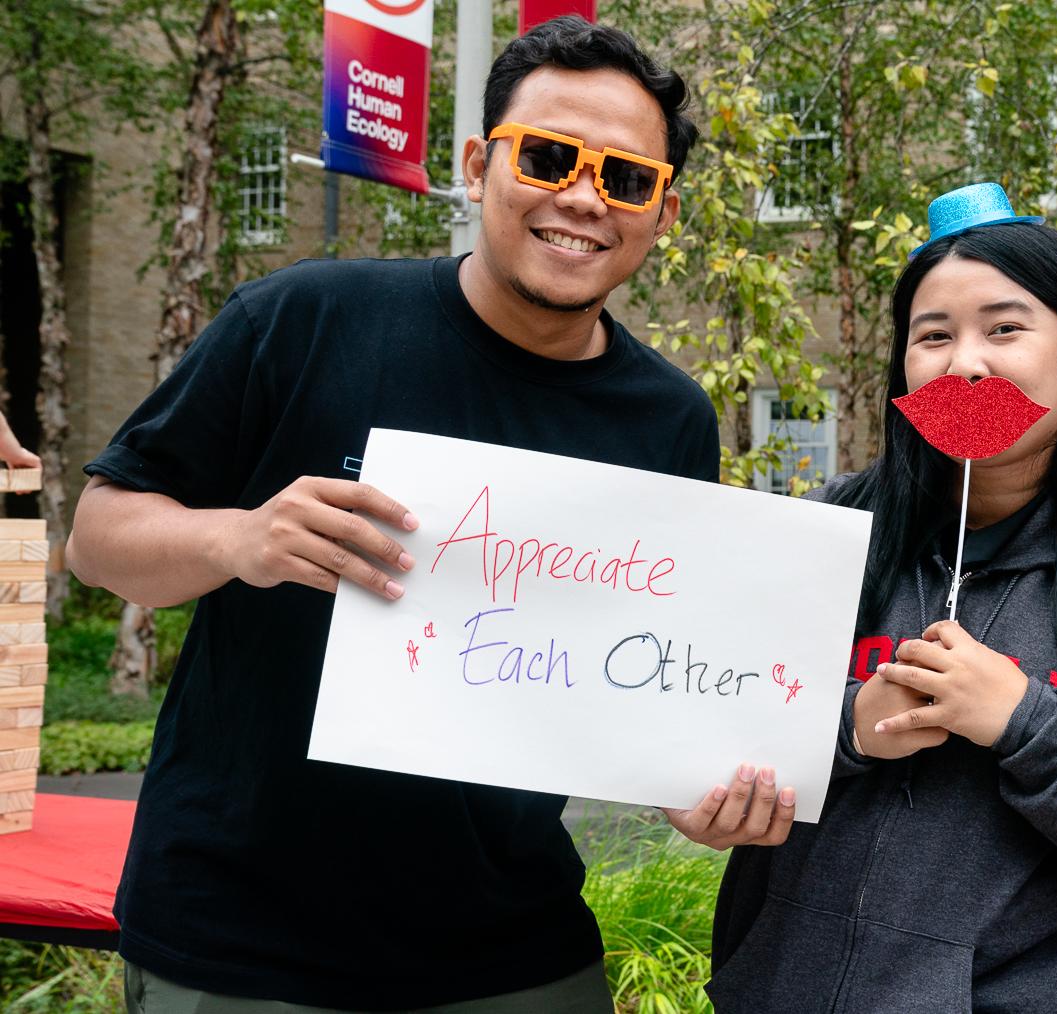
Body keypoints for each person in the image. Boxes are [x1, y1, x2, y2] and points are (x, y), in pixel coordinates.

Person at [65, 17, 716, 1012]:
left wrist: (701, 792)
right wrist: (240, 540)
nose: (584, 197)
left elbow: (648, 684)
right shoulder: (301, 318)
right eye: (547, 158)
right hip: (235, 951)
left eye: (625, 178)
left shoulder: (671, 420)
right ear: (476, 165)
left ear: (662, 211)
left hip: (515, 960)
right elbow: (98, 538)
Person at [670, 184, 1057, 1012]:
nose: (965, 363)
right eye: (932, 336)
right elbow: (706, 721)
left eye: (1005, 329)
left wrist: (1024, 717)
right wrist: (851, 726)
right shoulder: (829, 534)